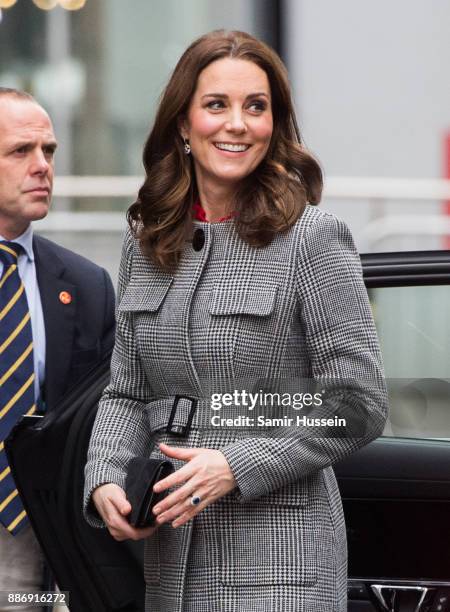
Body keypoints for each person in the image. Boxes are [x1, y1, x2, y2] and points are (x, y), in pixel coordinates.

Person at [84, 30, 388, 612]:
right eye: (216, 105)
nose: (237, 125)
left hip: (283, 562)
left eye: (256, 107)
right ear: (183, 123)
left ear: (275, 124)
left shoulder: (314, 239)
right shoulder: (146, 243)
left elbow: (357, 402)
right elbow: (127, 391)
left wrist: (236, 462)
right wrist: (104, 477)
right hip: (172, 562)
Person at [0, 88, 115, 607]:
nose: (42, 166)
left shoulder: (87, 285)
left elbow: (109, 412)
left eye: (48, 151)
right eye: (20, 151)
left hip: (41, 534)